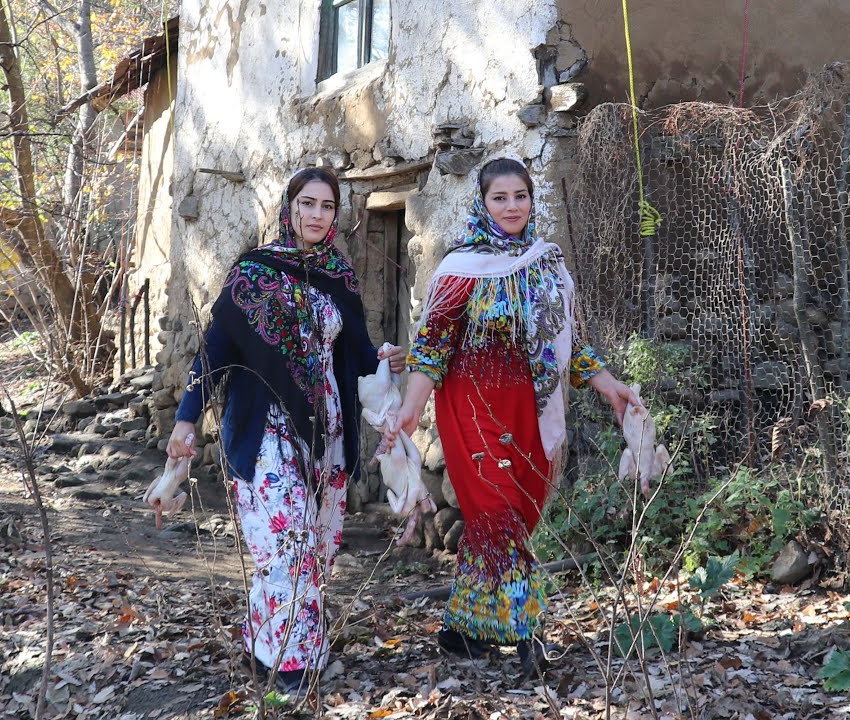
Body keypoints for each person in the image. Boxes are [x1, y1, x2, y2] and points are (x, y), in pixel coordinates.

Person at [392, 158, 636, 679]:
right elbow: (431, 346)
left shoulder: (549, 265)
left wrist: (610, 385)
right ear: (483, 203)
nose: (511, 207)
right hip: (473, 409)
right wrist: (412, 407)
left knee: (509, 519)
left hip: (530, 408)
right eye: (499, 198)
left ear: (532, 200)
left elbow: (572, 343)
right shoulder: (461, 268)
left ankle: (463, 631)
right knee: (499, 518)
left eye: (519, 196)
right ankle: (529, 636)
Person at [167, 167, 405, 692]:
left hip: (328, 430)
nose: (318, 215)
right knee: (288, 544)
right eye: (308, 204)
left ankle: (264, 647)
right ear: (289, 206)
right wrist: (187, 417)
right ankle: (296, 667)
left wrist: (384, 358)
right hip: (266, 426)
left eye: (327, 206)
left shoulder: (339, 277)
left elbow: (359, 352)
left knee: (317, 546)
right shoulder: (253, 272)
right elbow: (215, 350)